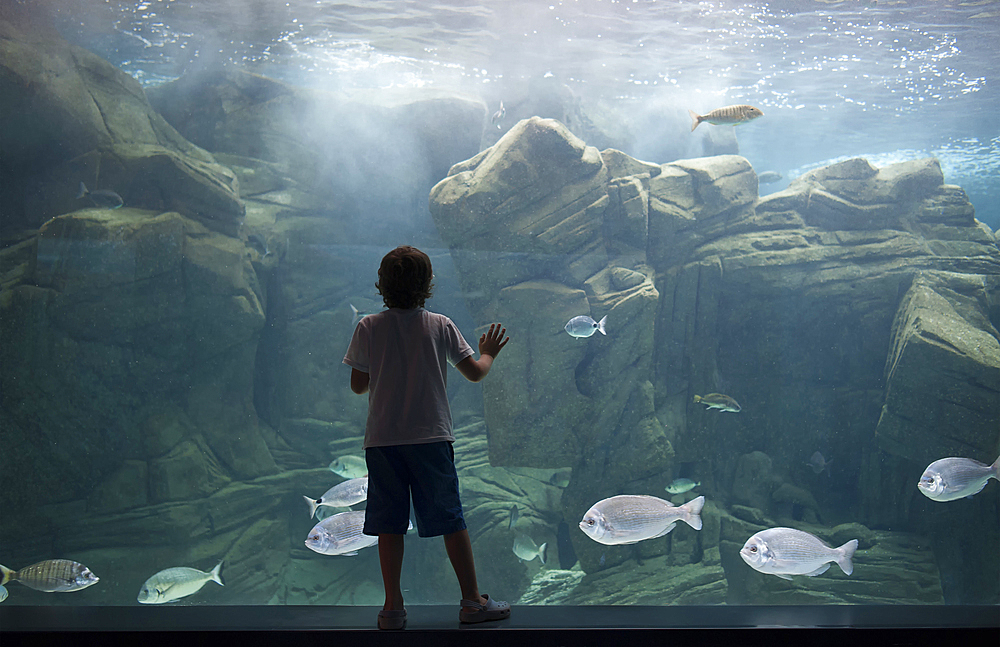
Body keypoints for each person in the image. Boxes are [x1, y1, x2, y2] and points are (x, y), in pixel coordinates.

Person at [343, 245, 512, 630]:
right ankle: (472, 602)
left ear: (381, 285)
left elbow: (357, 386)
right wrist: (488, 353)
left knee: (389, 524)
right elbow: (475, 373)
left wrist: (383, 367)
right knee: (450, 518)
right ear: (428, 285)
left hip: (383, 440)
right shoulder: (440, 324)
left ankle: (392, 609)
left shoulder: (368, 326)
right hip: (431, 439)